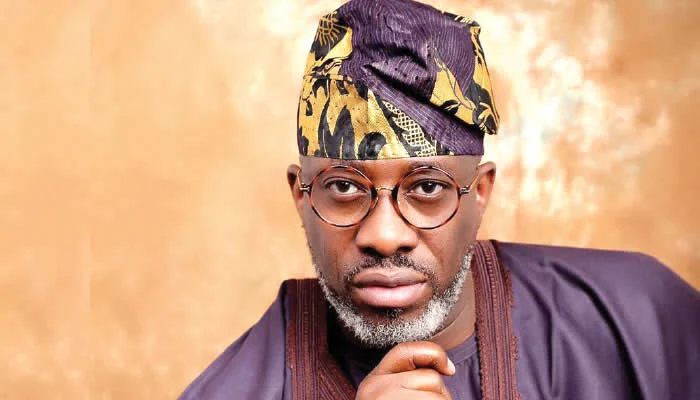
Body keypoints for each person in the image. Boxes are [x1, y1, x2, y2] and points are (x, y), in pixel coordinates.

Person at [179, 0, 700, 398]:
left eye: (427, 187)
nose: (385, 236)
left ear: (481, 192)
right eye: (344, 187)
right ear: (301, 194)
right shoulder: (237, 390)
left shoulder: (640, 322)